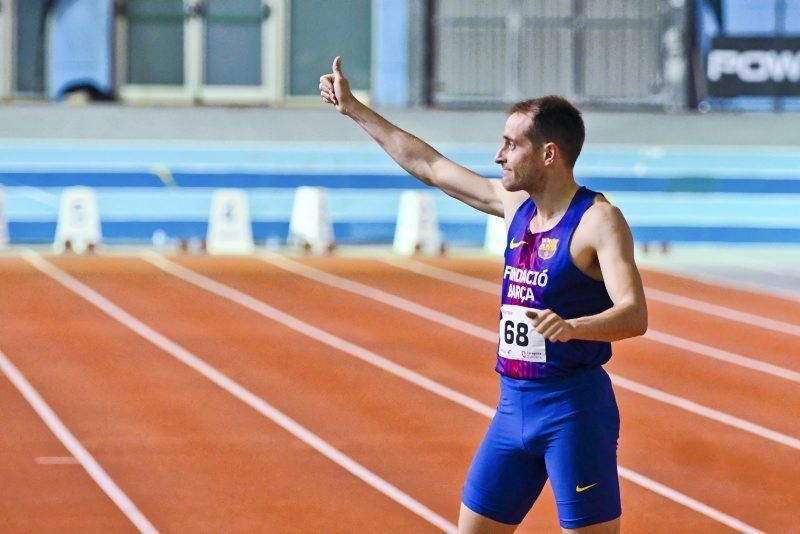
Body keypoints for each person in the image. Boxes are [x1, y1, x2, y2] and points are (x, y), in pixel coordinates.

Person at [319, 56, 648, 534]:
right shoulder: (515, 205)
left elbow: (634, 314)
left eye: (511, 145)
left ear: (549, 154)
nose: (499, 156)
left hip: (573, 412)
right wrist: (354, 109)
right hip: (512, 408)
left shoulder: (598, 221)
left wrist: (575, 327)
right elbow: (429, 165)